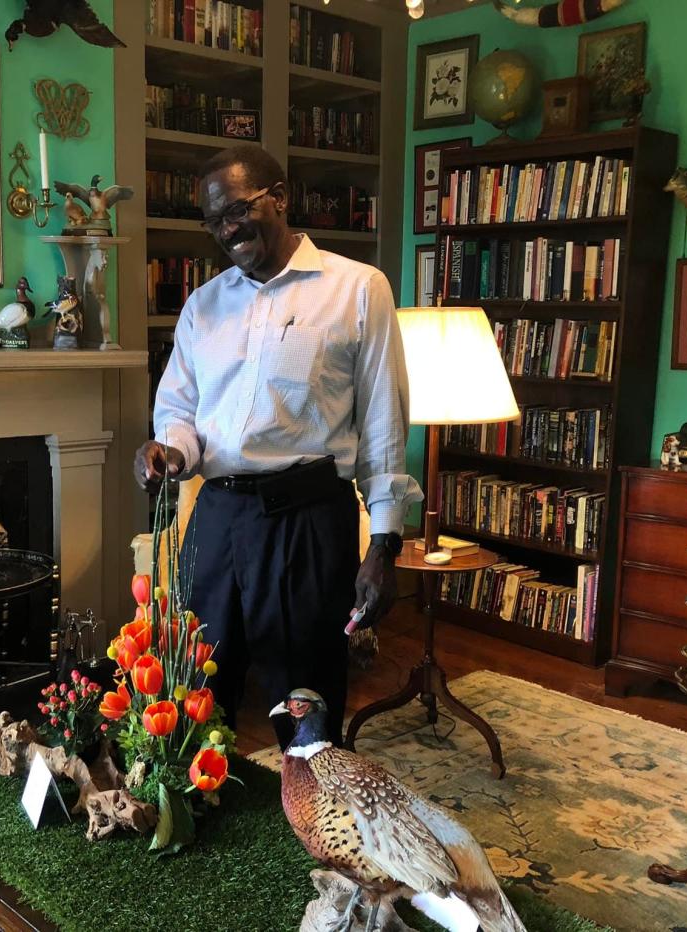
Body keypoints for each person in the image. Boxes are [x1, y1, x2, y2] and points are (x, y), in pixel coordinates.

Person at [133, 145, 422, 746]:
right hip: (214, 520)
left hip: (307, 525)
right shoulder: (202, 305)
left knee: (306, 697)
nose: (227, 229)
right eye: (214, 220)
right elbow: (180, 410)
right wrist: (169, 451)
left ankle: (313, 825)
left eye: (238, 210)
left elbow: (383, 426)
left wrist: (385, 546)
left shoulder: (358, 290)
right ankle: (198, 819)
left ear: (281, 198)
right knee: (193, 690)